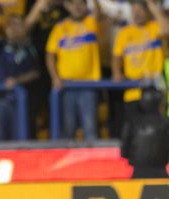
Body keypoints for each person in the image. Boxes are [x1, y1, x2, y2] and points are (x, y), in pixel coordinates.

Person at [46, 0, 102, 140]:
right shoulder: (60, 27)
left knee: (90, 129)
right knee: (68, 130)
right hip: (67, 86)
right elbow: (50, 54)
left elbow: (97, 12)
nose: (77, 6)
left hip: (88, 85)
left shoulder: (91, 22)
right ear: (66, 6)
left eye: (81, 3)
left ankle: (93, 161)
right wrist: (55, 77)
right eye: (73, 3)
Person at [112, 0, 169, 122]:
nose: (137, 14)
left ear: (148, 11)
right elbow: (117, 56)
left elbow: (167, 30)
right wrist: (116, 72)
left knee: (155, 131)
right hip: (132, 91)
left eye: (140, 10)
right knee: (134, 131)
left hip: (155, 91)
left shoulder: (155, 27)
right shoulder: (124, 32)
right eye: (134, 11)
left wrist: (150, 4)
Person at [121, 87, 169, 179]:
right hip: (161, 175)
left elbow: (123, 153)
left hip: (138, 175)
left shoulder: (132, 123)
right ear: (159, 103)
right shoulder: (166, 124)